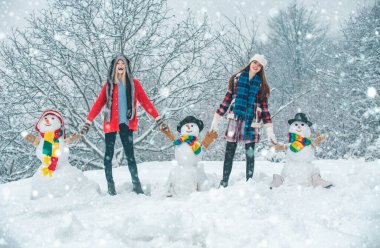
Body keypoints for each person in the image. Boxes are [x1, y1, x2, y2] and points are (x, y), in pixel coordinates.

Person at [80, 54, 167, 195]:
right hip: (110, 124)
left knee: (130, 155)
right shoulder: (108, 86)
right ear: (114, 67)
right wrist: (88, 121)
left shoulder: (134, 84)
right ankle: (110, 187)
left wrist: (157, 118)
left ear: (126, 67)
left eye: (123, 63)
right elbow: (98, 104)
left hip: (126, 123)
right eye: (118, 63)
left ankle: (136, 185)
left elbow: (145, 102)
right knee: (108, 156)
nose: (120, 65)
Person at [209, 54, 277, 187]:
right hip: (235, 119)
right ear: (251, 62)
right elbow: (227, 101)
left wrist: (270, 130)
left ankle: (249, 183)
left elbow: (264, 109)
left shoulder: (261, 86)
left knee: (250, 154)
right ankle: (224, 181)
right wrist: (215, 120)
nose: (256, 65)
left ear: (261, 68)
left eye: (259, 64)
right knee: (229, 152)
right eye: (255, 62)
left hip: (251, 121)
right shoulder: (236, 79)